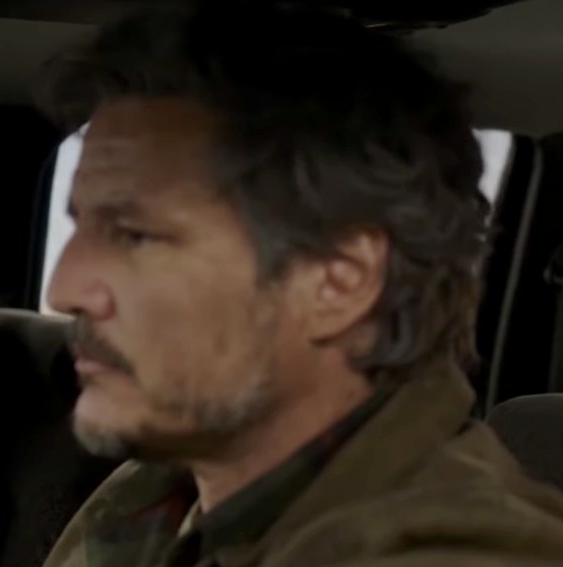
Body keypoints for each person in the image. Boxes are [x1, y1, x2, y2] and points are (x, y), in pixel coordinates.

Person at [36, 3, 563, 566]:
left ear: (338, 282)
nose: (63, 290)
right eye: (80, 226)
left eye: (134, 235)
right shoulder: (157, 492)